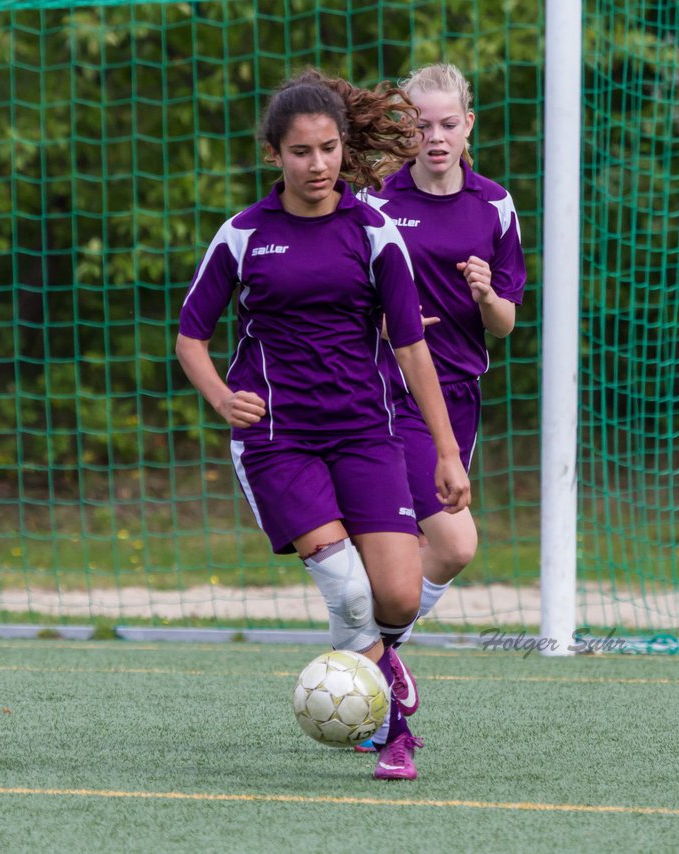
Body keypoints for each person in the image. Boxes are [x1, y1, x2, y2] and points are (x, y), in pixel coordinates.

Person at [176, 70, 471, 781]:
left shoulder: (374, 232)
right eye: (302, 152)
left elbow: (411, 347)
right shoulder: (243, 235)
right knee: (348, 591)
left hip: (366, 432)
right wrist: (220, 395)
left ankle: (378, 658)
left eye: (330, 148)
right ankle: (390, 730)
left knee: (398, 595)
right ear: (274, 154)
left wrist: (447, 453)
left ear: (345, 147)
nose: (319, 165)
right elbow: (190, 336)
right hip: (278, 440)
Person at [357, 63, 526, 746]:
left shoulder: (495, 206)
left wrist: (487, 295)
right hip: (382, 395)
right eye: (420, 125)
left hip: (455, 398)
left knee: (438, 551)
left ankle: (374, 657)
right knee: (452, 540)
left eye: (447, 124)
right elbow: (344, 296)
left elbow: (506, 322)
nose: (434, 137)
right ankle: (373, 665)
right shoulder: (374, 203)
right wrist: (384, 323)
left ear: (468, 126)